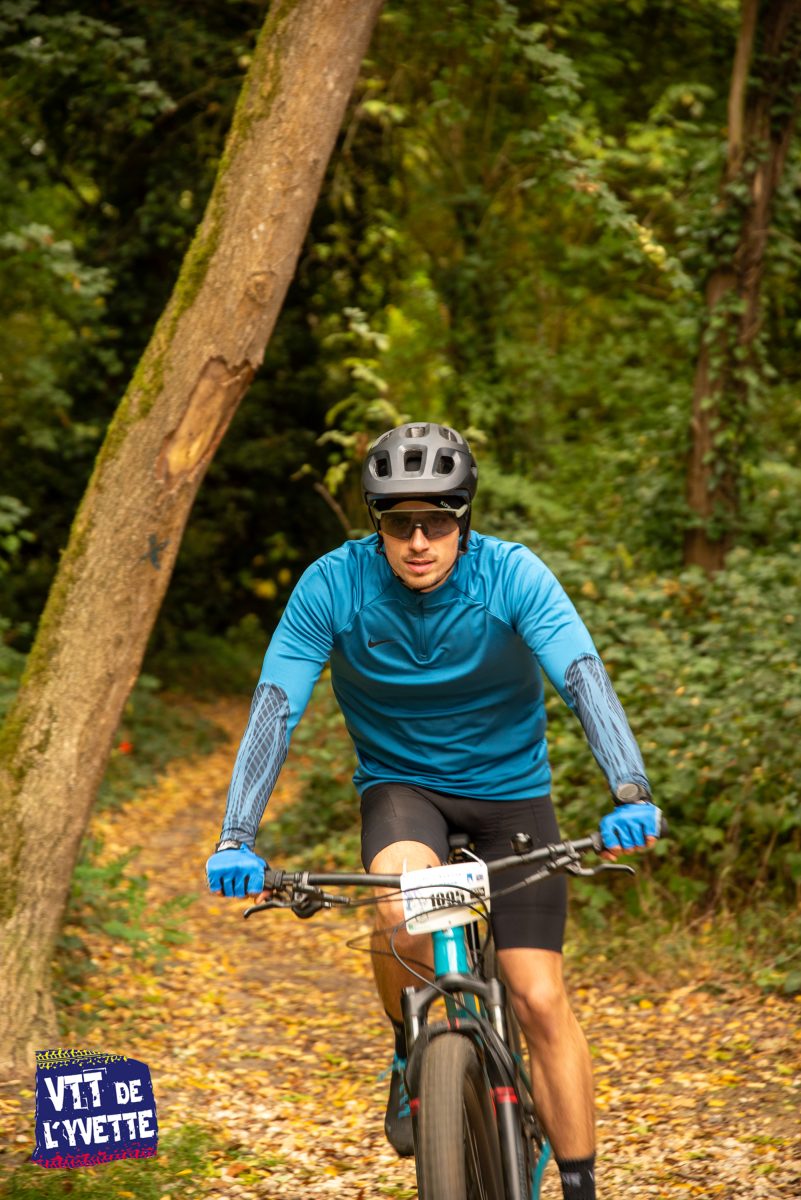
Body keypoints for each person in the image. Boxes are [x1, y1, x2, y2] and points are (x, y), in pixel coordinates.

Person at [206, 422, 660, 1200]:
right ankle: (409, 1042)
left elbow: (581, 677)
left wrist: (630, 791)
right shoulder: (333, 586)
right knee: (401, 913)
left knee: (537, 996)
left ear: (464, 519)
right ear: (375, 524)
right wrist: (235, 837)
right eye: (398, 523)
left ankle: (579, 1183)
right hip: (402, 791)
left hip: (510, 793)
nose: (418, 541)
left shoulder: (511, 575)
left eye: (437, 522)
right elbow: (276, 706)